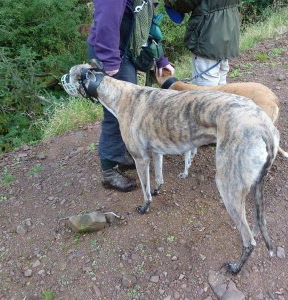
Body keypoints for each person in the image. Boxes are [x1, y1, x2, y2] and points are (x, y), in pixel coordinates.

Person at [87, 0, 175, 192]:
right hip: (110, 54)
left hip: (127, 51)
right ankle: (109, 171)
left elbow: (148, 24)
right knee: (117, 114)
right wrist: (109, 61)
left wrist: (161, 59)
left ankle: (122, 154)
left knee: (131, 111)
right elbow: (106, 22)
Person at [164, 0, 240, 86]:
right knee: (221, 86)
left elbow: (183, 3)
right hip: (229, 28)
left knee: (206, 88)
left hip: (207, 34)